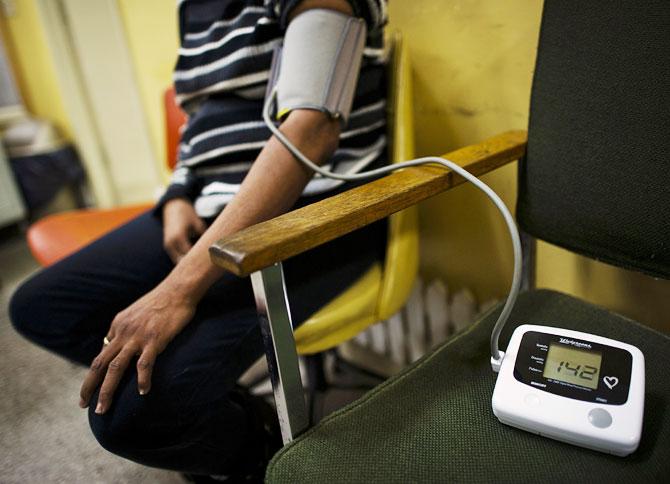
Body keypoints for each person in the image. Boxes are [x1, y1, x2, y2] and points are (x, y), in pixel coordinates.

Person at [9, 0, 388, 480]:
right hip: (208, 208)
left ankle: (261, 448)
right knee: (40, 308)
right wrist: (176, 195)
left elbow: (312, 130)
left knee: (127, 419)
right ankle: (212, 414)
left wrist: (176, 292)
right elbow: (199, 127)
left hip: (310, 215)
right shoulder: (194, 9)